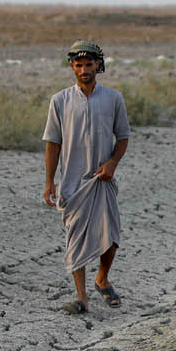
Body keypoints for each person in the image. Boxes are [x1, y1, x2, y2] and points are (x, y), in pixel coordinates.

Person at [43, 41, 131, 314]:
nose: (84, 70)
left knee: (112, 237)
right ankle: (81, 297)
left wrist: (112, 163)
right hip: (72, 182)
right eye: (78, 65)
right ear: (72, 67)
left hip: (102, 180)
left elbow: (124, 137)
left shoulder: (113, 98)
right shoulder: (60, 101)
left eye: (89, 64)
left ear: (98, 66)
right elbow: (53, 142)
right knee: (76, 239)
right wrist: (49, 181)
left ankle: (102, 278)